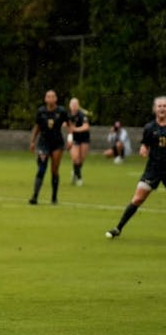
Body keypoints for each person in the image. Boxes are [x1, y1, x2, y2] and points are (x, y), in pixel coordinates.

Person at [105, 96, 166, 239]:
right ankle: (118, 228)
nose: (162, 108)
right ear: (154, 109)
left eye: (164, 106)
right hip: (153, 169)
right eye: (159, 106)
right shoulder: (150, 127)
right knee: (138, 199)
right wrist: (143, 149)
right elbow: (145, 144)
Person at [28, 89, 69, 205]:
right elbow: (37, 127)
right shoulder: (41, 111)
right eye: (48, 96)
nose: (50, 99)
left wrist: (70, 139)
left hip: (57, 144)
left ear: (56, 99)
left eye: (52, 96)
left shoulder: (61, 111)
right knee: (41, 168)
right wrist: (32, 142)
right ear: (45, 99)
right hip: (43, 143)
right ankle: (34, 197)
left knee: (54, 170)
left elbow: (69, 126)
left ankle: (54, 198)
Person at [67, 97, 90, 186]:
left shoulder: (82, 115)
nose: (74, 106)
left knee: (81, 159)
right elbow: (68, 128)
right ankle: (79, 178)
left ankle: (75, 172)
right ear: (69, 106)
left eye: (75, 104)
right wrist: (69, 139)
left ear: (78, 105)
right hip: (75, 139)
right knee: (75, 158)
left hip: (84, 138)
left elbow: (86, 127)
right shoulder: (68, 116)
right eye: (72, 104)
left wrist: (75, 129)